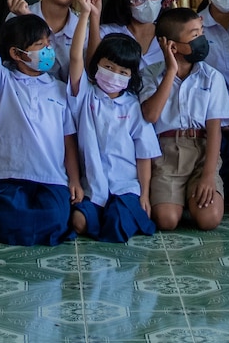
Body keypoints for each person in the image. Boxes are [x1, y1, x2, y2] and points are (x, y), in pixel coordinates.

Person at [0, 0, 91, 246]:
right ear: (16, 53)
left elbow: (68, 139)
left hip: (50, 177)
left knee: (53, 219)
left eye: (48, 44)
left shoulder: (59, 90)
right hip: (9, 175)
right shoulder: (3, 81)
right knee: (8, 224)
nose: (48, 51)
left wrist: (73, 178)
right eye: (40, 46)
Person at [66, 18, 175, 243]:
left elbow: (143, 154)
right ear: (96, 65)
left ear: (131, 76)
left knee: (117, 223)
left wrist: (144, 195)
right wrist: (86, 13)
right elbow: (76, 57)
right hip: (93, 186)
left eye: (123, 71)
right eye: (108, 67)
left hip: (126, 185)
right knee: (78, 222)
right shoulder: (85, 96)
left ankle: (117, 215)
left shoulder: (134, 106)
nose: (114, 74)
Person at [150, 7, 229, 231]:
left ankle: (192, 195)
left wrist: (208, 175)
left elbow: (215, 129)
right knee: (166, 220)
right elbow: (150, 115)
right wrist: (169, 72)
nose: (202, 40)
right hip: (166, 154)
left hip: (202, 151)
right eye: (194, 35)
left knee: (209, 219)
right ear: (171, 45)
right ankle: (177, 199)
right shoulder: (151, 75)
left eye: (201, 32)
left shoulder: (213, 77)